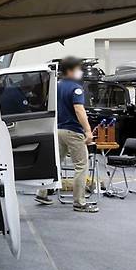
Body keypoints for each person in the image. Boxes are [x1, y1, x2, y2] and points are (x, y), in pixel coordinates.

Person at [35, 56, 98, 213]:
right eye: (77, 69)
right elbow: (79, 109)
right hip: (73, 131)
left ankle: (42, 193)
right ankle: (79, 202)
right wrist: (88, 131)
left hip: (58, 130)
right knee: (81, 166)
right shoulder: (76, 88)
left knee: (55, 163)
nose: (80, 72)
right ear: (70, 71)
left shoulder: (56, 86)